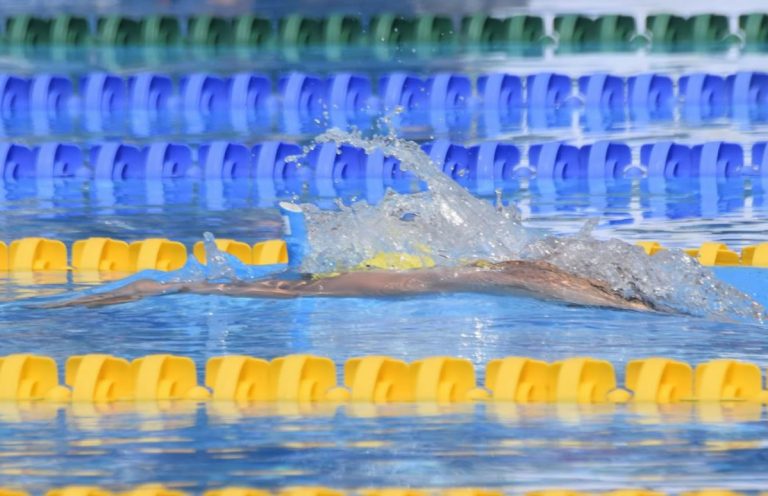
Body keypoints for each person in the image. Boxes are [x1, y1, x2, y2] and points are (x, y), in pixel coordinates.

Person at [40, 259, 659, 312]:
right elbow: (590, 296)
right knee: (200, 292)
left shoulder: (533, 268)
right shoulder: (540, 279)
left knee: (218, 289)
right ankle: (150, 288)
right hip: (370, 287)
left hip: (372, 282)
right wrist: (645, 314)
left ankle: (158, 287)